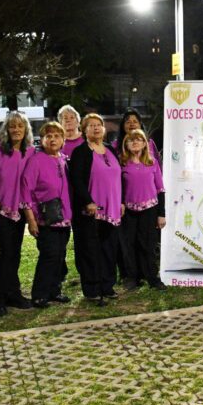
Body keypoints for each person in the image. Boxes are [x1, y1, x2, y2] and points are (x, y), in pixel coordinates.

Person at [0, 111, 35, 316]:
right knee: (8, 252)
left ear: (26, 129)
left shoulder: (30, 151)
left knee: (15, 252)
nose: (16, 129)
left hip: (20, 207)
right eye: (12, 126)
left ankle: (13, 293)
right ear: (6, 129)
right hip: (1, 207)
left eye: (20, 126)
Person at [69, 113, 123, 305]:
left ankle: (107, 286)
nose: (96, 127)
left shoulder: (110, 149)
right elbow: (76, 180)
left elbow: (119, 177)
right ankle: (92, 289)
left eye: (98, 124)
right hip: (91, 211)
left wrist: (121, 202)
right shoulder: (80, 151)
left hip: (112, 209)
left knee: (109, 249)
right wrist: (87, 201)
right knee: (90, 250)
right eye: (90, 125)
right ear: (84, 130)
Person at [21, 122, 73, 308]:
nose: (52, 139)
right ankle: (39, 294)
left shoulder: (64, 160)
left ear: (63, 140)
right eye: (48, 136)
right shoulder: (36, 161)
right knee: (49, 256)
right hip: (45, 218)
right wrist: (31, 220)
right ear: (41, 140)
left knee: (60, 255)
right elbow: (26, 191)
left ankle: (54, 291)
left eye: (57, 136)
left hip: (64, 217)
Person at [119, 129, 167, 290]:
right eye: (131, 140)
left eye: (138, 139)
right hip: (129, 212)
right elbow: (118, 188)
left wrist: (161, 214)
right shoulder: (122, 163)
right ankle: (133, 278)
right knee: (129, 245)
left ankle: (153, 278)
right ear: (126, 144)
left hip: (150, 210)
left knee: (148, 245)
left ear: (144, 143)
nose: (135, 142)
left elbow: (160, 189)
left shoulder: (152, 162)